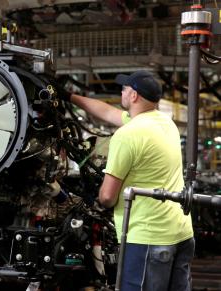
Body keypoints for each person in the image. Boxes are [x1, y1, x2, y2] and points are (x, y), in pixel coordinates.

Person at [57, 71, 194, 290]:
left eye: (124, 88)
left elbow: (108, 196)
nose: (120, 91)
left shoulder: (127, 135)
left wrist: (94, 198)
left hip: (147, 238)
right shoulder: (166, 123)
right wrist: (68, 96)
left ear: (134, 96)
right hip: (181, 233)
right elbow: (107, 112)